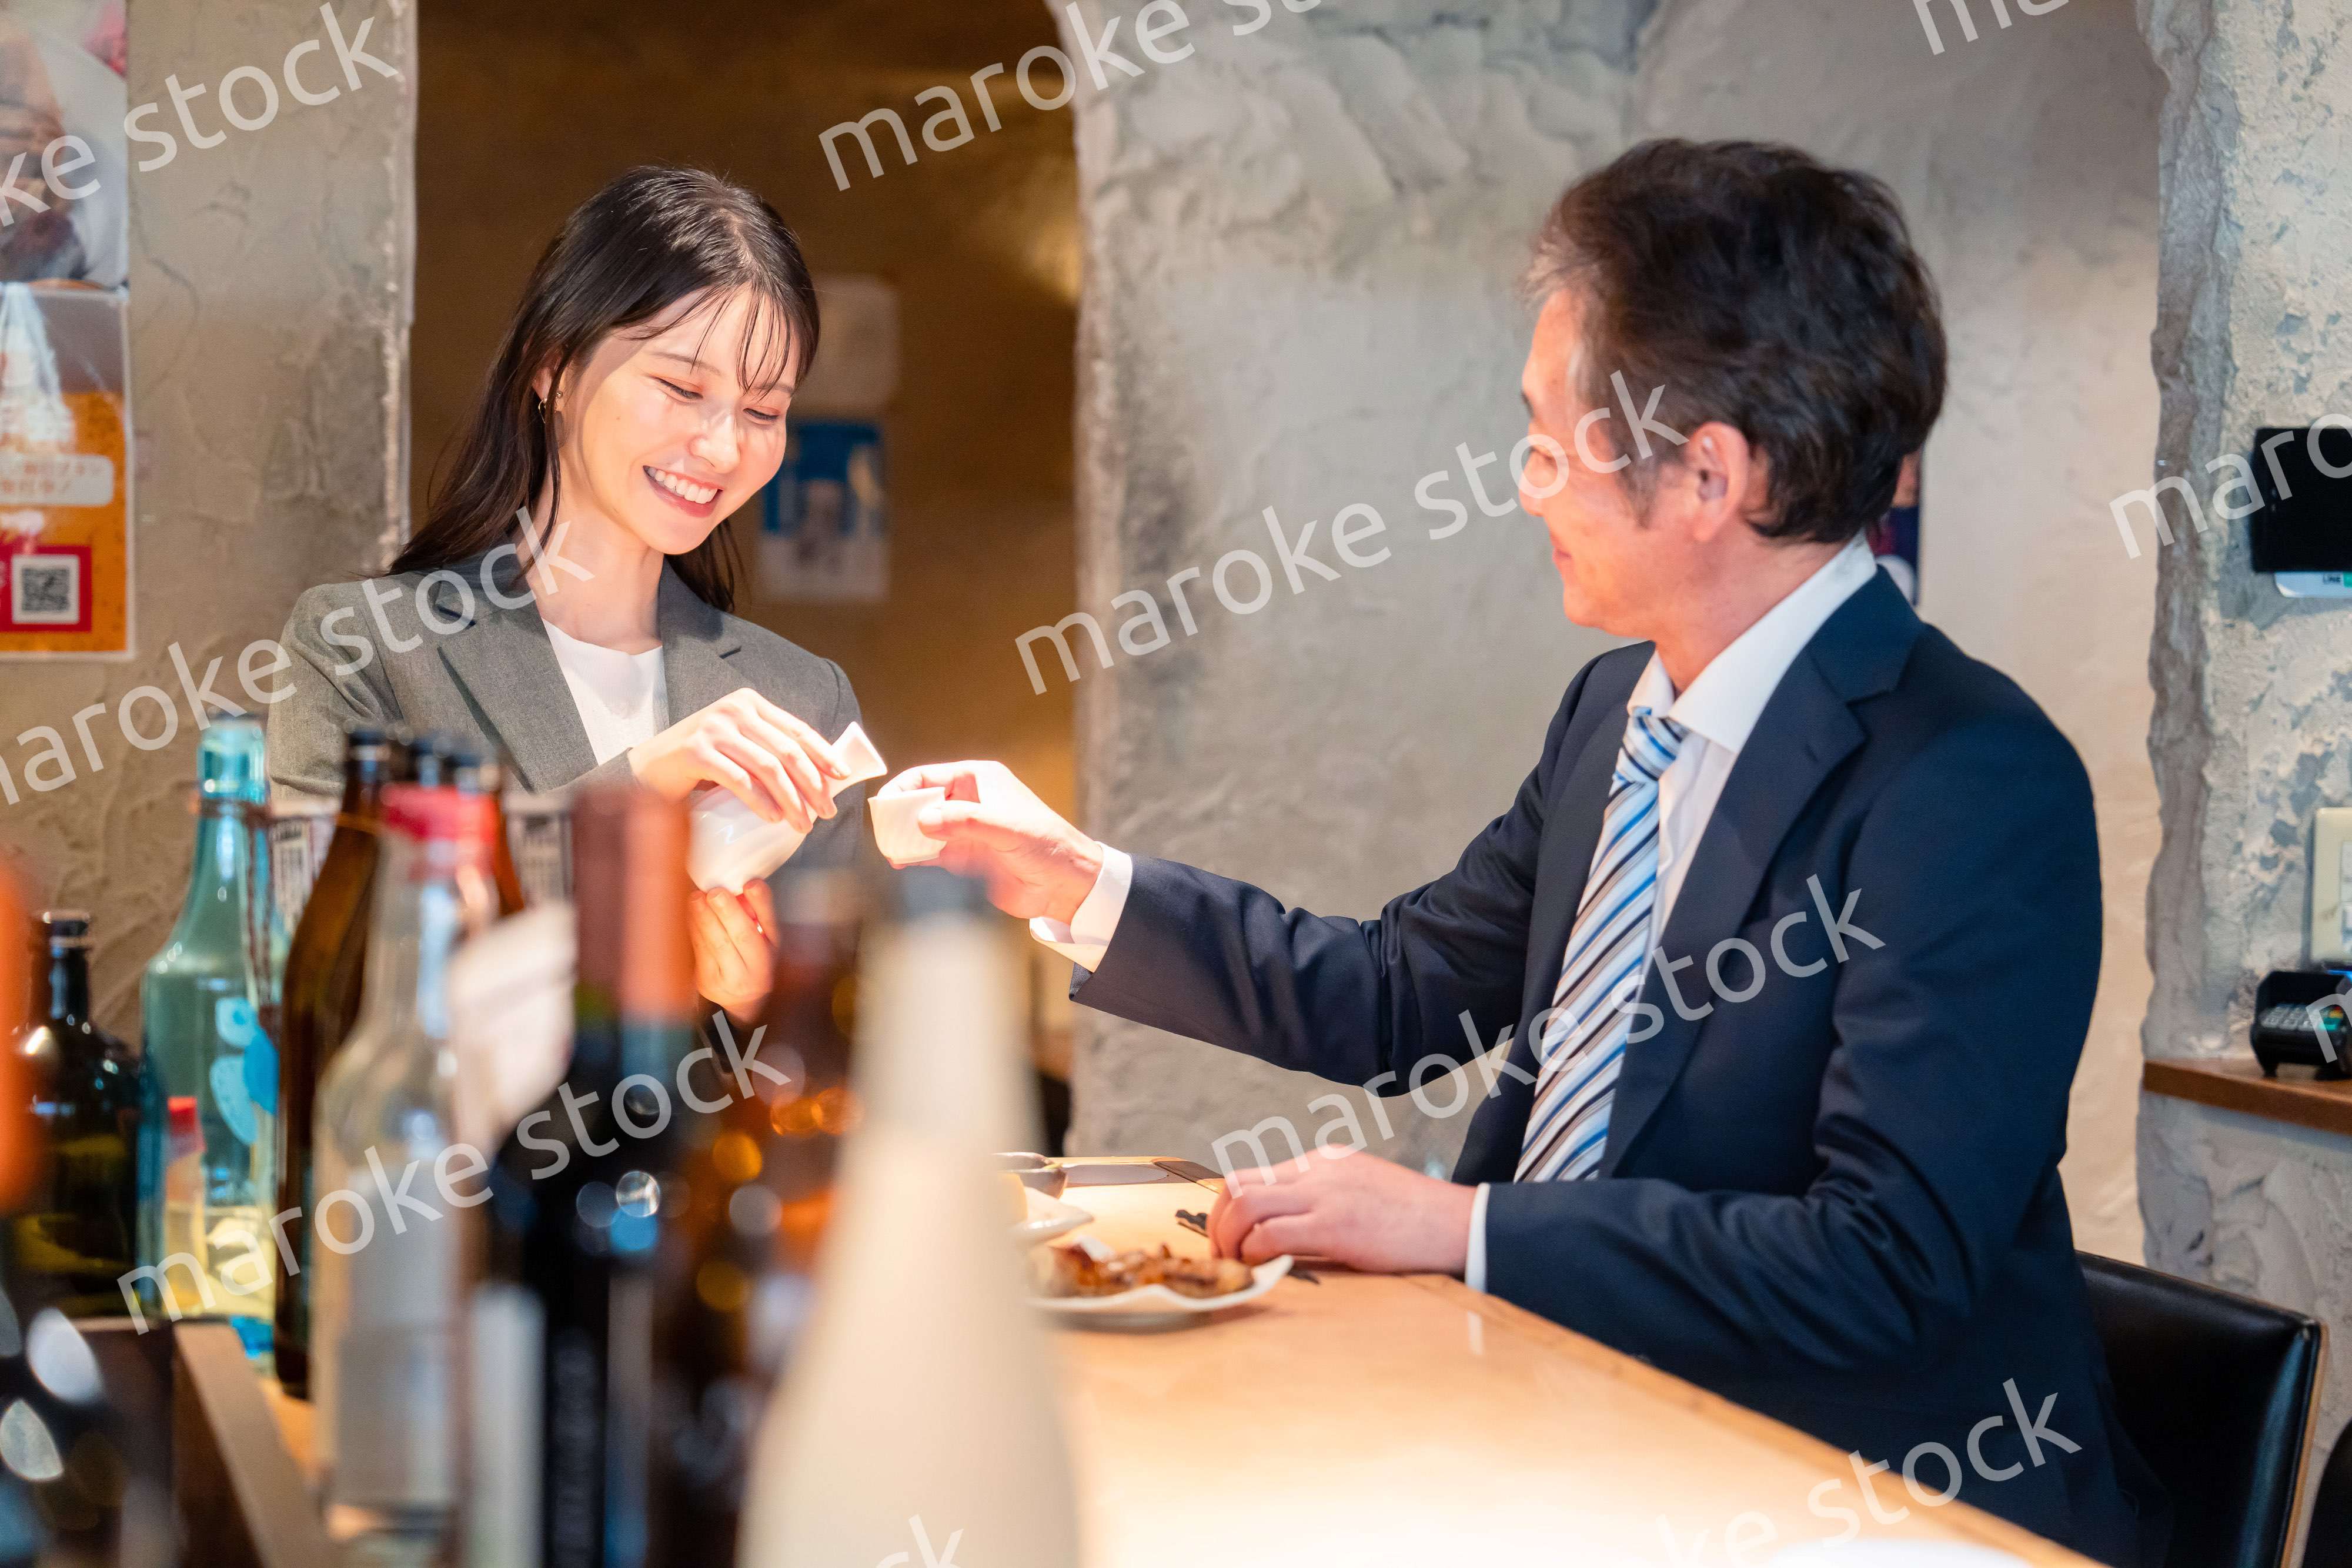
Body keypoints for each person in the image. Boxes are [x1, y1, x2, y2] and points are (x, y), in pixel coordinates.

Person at [883, 141, 2164, 1566]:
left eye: (1547, 444)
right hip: (1566, 1425)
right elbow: (1397, 988)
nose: (1523, 487)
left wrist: (1458, 1226)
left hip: (1854, 1501)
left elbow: (1881, 1264)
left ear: (1705, 476)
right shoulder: (1617, 706)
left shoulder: (1967, 777)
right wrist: (1066, 876)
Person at [271, 166, 861, 1024]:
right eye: (683, 388)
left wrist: (754, 1011)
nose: (724, 448)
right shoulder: (364, 651)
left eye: (764, 411)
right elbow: (319, 979)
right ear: (554, 366)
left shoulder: (803, 701)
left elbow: (832, 1060)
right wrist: (637, 793)